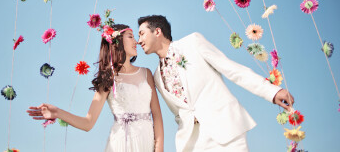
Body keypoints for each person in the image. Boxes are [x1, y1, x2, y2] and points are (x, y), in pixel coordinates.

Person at [137, 15, 295, 152]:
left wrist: (272, 92)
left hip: (225, 130)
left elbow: (231, 69)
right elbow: (179, 112)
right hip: (192, 143)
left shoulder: (192, 42)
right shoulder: (157, 76)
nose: (139, 41)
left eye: (142, 34)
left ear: (157, 31)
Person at [27, 24, 164, 152]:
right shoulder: (108, 79)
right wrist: (57, 112)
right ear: (117, 42)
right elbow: (88, 123)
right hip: (121, 143)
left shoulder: (146, 73)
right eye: (131, 37)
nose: (137, 42)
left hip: (146, 141)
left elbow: (157, 115)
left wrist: (159, 149)